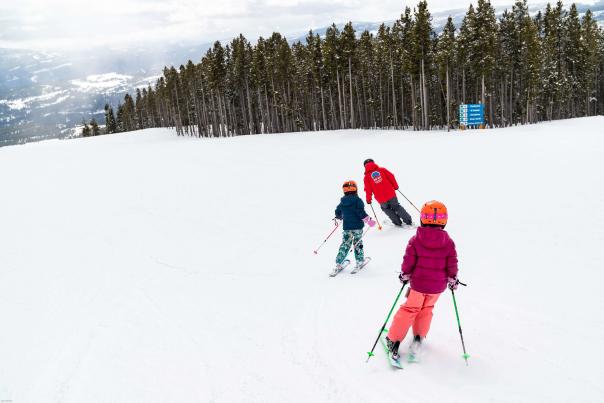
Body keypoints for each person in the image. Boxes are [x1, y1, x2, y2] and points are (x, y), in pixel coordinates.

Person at [385, 200, 459, 361]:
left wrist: (405, 274)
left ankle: (393, 340)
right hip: (437, 287)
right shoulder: (448, 243)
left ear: (423, 218)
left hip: (418, 285)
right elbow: (452, 263)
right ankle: (419, 337)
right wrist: (453, 279)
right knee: (426, 309)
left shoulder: (416, 240)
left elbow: (409, 260)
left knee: (409, 310)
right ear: (444, 220)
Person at [332, 180, 375, 276]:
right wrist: (370, 222)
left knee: (345, 244)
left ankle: (339, 262)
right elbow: (361, 213)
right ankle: (359, 261)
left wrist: (339, 216)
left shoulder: (342, 202)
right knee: (357, 243)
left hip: (347, 228)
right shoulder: (357, 201)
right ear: (355, 189)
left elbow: (338, 211)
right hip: (357, 228)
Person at [363, 159, 412, 227]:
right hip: (391, 194)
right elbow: (391, 177)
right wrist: (395, 186)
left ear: (365, 167)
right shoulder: (382, 170)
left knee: (386, 209)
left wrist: (368, 199)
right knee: (396, 206)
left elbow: (368, 189)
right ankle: (408, 220)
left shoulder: (366, 177)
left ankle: (397, 222)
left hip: (381, 198)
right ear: (374, 163)